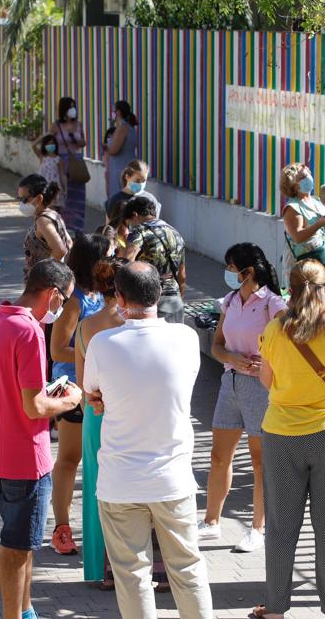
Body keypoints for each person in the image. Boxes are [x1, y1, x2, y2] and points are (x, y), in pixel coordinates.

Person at [83, 262, 213, 619]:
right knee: (188, 569)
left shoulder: (102, 343)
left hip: (120, 482)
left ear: (120, 298)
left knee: (132, 576)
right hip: (172, 480)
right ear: (159, 293)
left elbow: (92, 392)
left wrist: (105, 396)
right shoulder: (186, 338)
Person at [0, 258, 83, 619]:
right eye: (63, 299)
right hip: (26, 459)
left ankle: (26, 608)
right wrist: (71, 398)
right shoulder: (29, 331)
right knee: (16, 546)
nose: (62, 309)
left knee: (25, 541)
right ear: (51, 294)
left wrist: (14, 391)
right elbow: (34, 407)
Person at [251, 260, 325, 619]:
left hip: (282, 433)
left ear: (290, 287)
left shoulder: (274, 328)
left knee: (281, 528)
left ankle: (274, 610)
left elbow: (267, 381)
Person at [199, 243, 287, 554]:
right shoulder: (231, 300)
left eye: (231, 267)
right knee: (218, 456)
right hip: (230, 382)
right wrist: (234, 359)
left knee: (260, 461)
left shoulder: (272, 304)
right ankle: (211, 521)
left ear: (247, 272)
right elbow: (217, 346)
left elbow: (291, 342)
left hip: (260, 388)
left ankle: (258, 528)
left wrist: (270, 363)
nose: (228, 273)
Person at [47, 234, 110, 555]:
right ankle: (61, 528)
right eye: (108, 257)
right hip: (70, 389)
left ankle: (99, 528)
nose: (113, 262)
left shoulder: (104, 297)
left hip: (98, 389)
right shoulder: (76, 301)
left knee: (101, 462)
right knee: (70, 459)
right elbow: (58, 349)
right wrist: (93, 353)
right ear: (93, 263)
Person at [73, 257, 128, 588]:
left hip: (95, 415)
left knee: (96, 489)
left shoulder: (85, 326)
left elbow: (83, 383)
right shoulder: (134, 324)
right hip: (129, 412)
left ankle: (101, 567)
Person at [121, 196, 185, 323]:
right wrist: (180, 297)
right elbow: (182, 274)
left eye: (130, 223)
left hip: (150, 302)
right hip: (175, 301)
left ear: (135, 215)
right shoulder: (175, 233)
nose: (130, 227)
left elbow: (126, 262)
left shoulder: (140, 232)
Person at [280, 162, 325, 272]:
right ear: (293, 185)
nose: (308, 178)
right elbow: (297, 237)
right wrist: (319, 223)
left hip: (319, 261)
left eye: (308, 174)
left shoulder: (316, 201)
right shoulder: (293, 208)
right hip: (300, 266)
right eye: (303, 177)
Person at [19, 174, 72, 275]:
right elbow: (69, 243)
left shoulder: (43, 221)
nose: (21, 203)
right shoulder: (54, 214)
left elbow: (60, 250)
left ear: (39, 198)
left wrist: (43, 274)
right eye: (19, 199)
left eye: (24, 199)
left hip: (44, 284)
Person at [49, 97, 88, 234]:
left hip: (76, 163)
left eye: (74, 106)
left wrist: (77, 139)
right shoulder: (56, 126)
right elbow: (49, 141)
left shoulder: (79, 124)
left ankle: (77, 227)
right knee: (63, 195)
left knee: (77, 196)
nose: (73, 109)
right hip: (61, 163)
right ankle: (62, 227)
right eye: (70, 106)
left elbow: (83, 142)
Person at [105, 159, 161, 226]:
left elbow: (155, 225)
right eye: (137, 180)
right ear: (127, 177)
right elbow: (109, 228)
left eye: (144, 181)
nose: (141, 184)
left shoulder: (151, 199)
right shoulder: (115, 200)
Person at [103, 100, 139, 198]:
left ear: (118, 112)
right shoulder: (129, 128)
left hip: (120, 170)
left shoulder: (123, 128)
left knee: (120, 202)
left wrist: (106, 147)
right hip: (128, 168)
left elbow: (114, 150)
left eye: (114, 110)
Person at [32, 133, 63, 207]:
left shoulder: (58, 159)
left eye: (52, 143)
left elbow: (62, 174)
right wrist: (41, 137)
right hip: (43, 186)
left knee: (53, 208)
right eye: (48, 143)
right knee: (43, 206)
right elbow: (33, 145)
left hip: (54, 187)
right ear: (44, 145)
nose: (50, 145)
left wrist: (64, 187)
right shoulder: (42, 156)